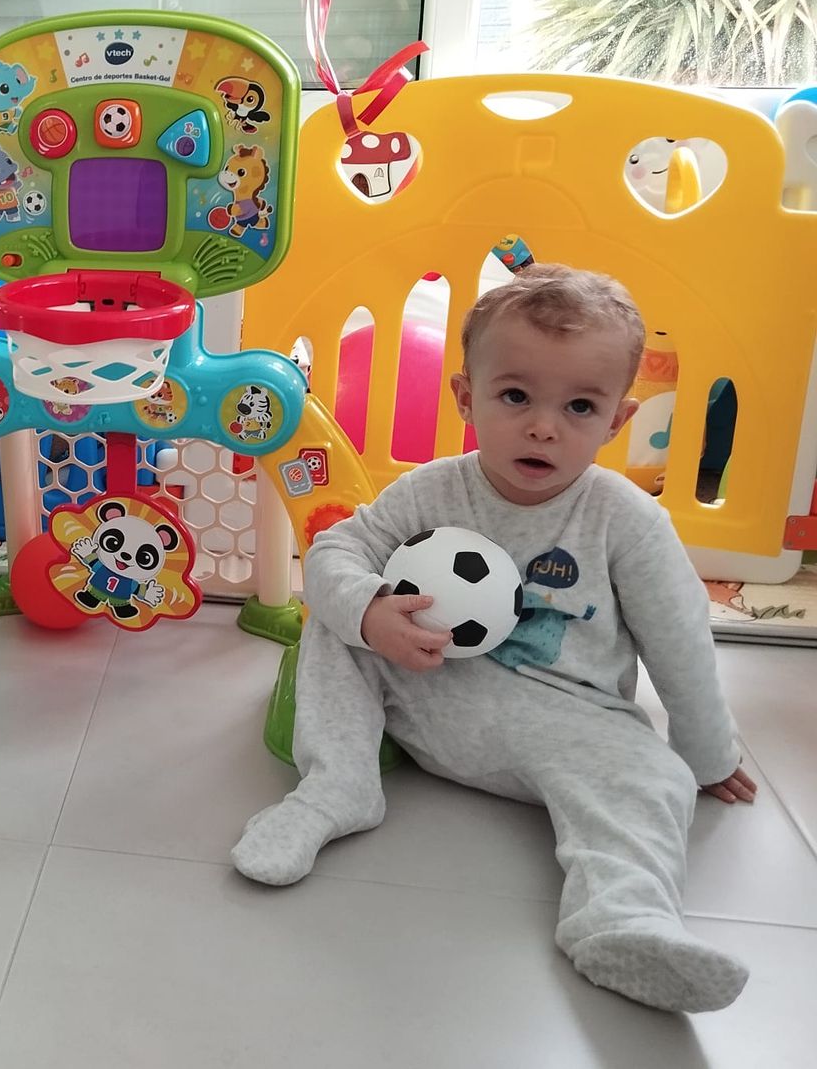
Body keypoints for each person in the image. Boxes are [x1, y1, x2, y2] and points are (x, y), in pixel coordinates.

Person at [231, 265, 757, 1013]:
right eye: (516, 396)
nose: (544, 425)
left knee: (650, 780)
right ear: (467, 398)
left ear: (616, 420)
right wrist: (374, 610)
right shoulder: (430, 488)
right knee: (338, 617)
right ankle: (337, 785)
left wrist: (710, 755)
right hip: (429, 688)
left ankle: (620, 917)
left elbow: (681, 644)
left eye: (580, 406)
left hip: (568, 724)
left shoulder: (627, 522)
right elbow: (333, 553)